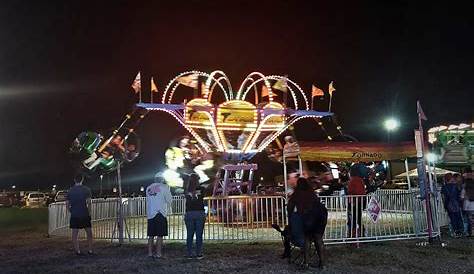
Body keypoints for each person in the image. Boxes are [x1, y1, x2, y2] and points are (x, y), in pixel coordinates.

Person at [286, 177, 326, 268]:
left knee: (307, 238)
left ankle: (306, 262)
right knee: (318, 238)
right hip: (321, 214)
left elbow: (290, 206)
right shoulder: (311, 192)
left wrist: (290, 218)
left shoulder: (297, 193)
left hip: (309, 216)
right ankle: (322, 263)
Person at [146, 173, 172, 258]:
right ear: (162, 179)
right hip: (160, 213)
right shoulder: (164, 187)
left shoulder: (148, 188)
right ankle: (158, 253)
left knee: (151, 235)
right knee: (160, 235)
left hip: (151, 213)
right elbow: (169, 200)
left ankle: (150, 253)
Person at [66, 174, 93, 255]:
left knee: (74, 234)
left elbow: (67, 205)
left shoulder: (70, 191)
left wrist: (71, 211)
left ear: (74, 180)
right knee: (89, 233)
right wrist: (89, 213)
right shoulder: (86, 189)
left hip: (75, 215)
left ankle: (77, 251)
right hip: (84, 214)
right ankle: (90, 250)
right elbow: (89, 203)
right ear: (82, 180)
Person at [184, 174, 206, 259]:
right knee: (199, 235)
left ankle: (189, 253)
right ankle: (199, 253)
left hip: (189, 213)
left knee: (190, 234)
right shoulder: (202, 189)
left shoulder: (186, 190)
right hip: (199, 213)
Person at [347, 165, 366, 239]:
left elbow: (351, 191)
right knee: (358, 218)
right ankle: (361, 233)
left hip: (354, 202)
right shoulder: (360, 180)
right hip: (360, 202)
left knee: (353, 219)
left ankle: (354, 235)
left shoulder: (353, 180)